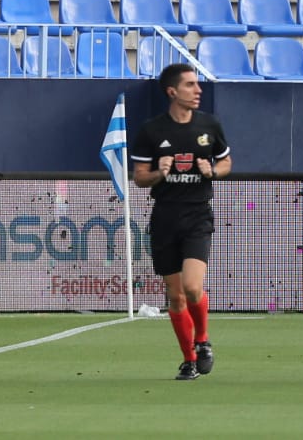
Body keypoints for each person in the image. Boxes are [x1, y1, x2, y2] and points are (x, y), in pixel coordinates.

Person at [131, 63, 232, 381]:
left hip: (197, 214)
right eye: (190, 85)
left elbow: (226, 160)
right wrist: (159, 172)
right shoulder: (152, 130)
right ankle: (188, 359)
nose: (198, 90)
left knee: (192, 286)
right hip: (165, 216)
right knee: (174, 296)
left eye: (198, 84)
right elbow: (139, 178)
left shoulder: (209, 125)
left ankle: (202, 341)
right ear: (172, 91)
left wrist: (213, 171)